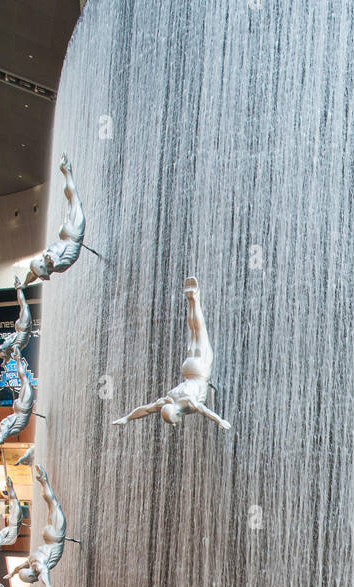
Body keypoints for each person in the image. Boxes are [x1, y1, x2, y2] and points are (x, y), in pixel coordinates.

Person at [112, 277, 230, 430]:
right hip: (188, 369)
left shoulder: (188, 403)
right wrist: (126, 418)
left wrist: (219, 421)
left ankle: (194, 298)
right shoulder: (167, 400)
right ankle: (191, 301)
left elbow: (204, 411)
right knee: (193, 332)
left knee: (199, 331)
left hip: (201, 369)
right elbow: (145, 409)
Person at [25, 154, 85, 284]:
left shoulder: (49, 262)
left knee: (73, 200)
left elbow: (33, 274)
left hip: (71, 236)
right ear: (43, 267)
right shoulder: (54, 263)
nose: (41, 260)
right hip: (71, 236)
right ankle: (66, 171)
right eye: (41, 263)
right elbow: (49, 264)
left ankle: (66, 171)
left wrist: (25, 283)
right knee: (72, 199)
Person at [7, 462, 66, 587]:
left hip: (56, 536)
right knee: (52, 504)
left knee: (54, 504)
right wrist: (12, 573)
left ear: (30, 575)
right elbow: (18, 567)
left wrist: (48, 586)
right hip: (48, 537)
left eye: (32, 580)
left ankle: (44, 480)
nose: (34, 582)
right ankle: (43, 481)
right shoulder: (30, 560)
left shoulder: (37, 565)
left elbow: (44, 572)